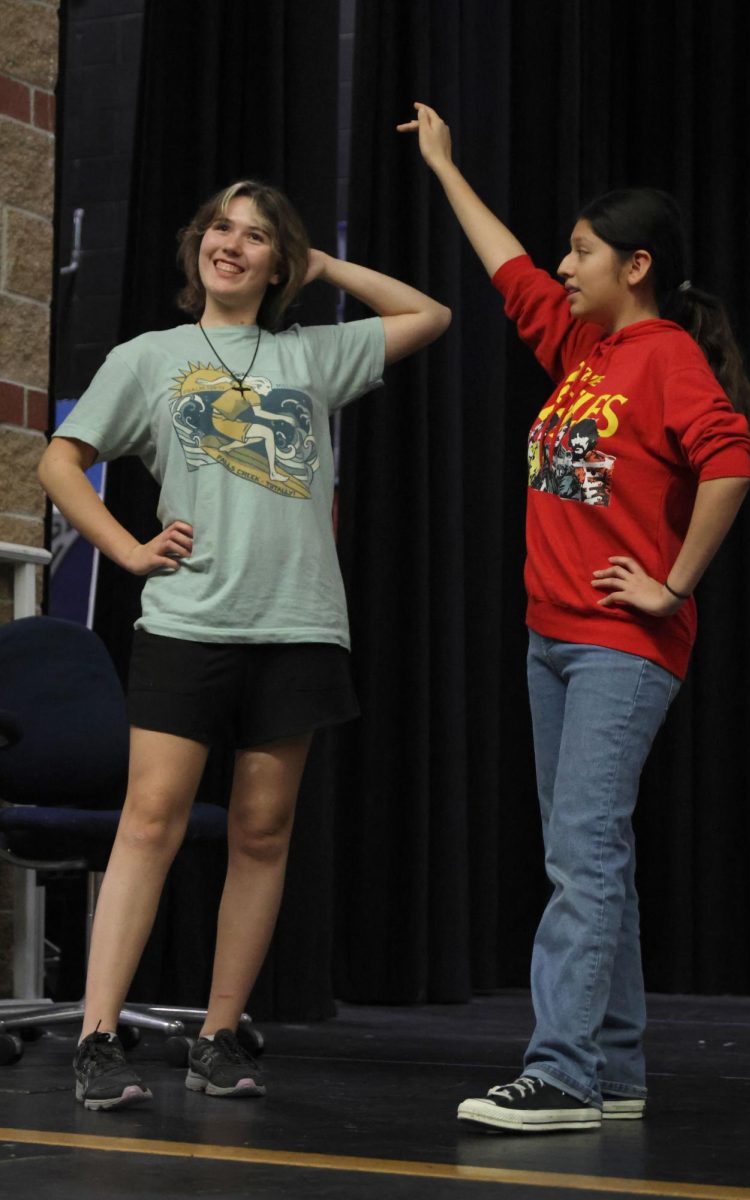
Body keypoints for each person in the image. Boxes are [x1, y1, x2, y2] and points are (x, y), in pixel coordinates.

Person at [38, 179, 451, 1111]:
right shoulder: (151, 356)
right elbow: (60, 459)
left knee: (262, 835)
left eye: (257, 237)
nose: (231, 244)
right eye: (220, 227)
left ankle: (218, 1036)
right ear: (198, 247)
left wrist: (326, 265)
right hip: (189, 623)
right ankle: (98, 1039)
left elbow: (430, 313)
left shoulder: (308, 355)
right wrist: (128, 549)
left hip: (299, 626)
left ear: (279, 264)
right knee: (151, 823)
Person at [399, 104, 750, 1133]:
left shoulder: (663, 357)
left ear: (634, 266)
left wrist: (672, 584)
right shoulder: (582, 353)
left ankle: (557, 1070)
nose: (564, 266)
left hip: (620, 645)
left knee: (582, 853)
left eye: (583, 251)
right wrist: (442, 166)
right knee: (590, 850)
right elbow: (507, 266)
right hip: (549, 637)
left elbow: (728, 461)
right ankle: (613, 1067)